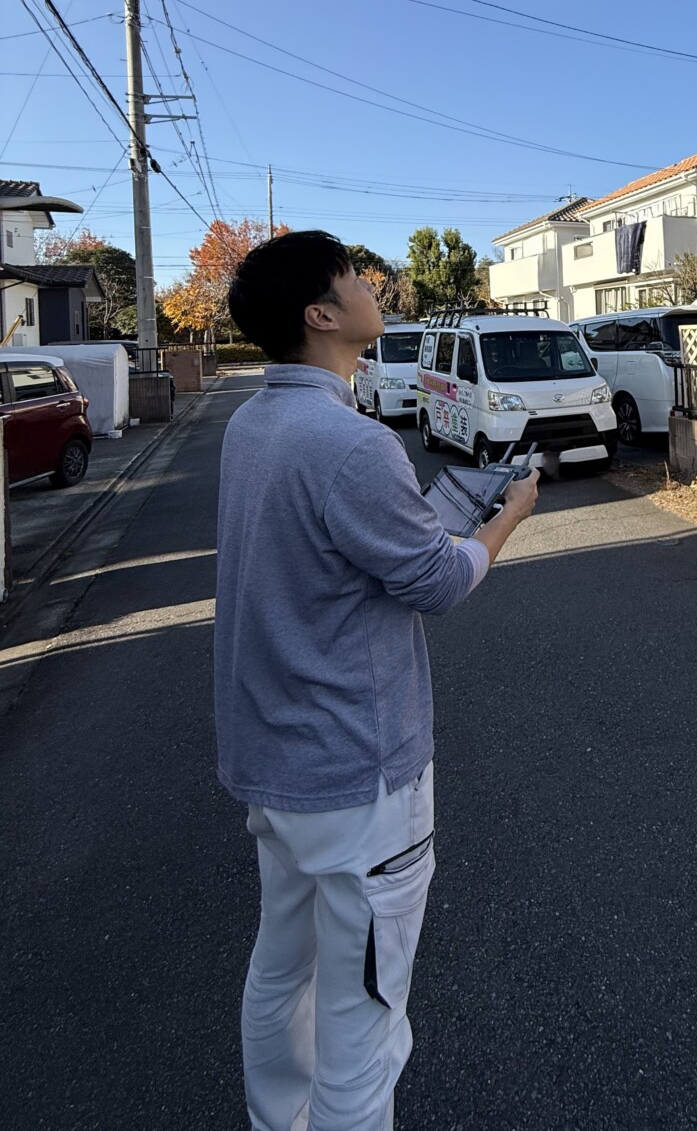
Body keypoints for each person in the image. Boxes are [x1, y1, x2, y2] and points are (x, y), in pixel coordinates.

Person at [214, 230, 538, 1131]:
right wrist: (503, 518)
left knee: (284, 974)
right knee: (365, 1015)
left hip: (273, 766)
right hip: (356, 778)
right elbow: (435, 582)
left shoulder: (254, 423)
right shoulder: (351, 444)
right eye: (356, 277)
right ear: (322, 315)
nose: (372, 284)